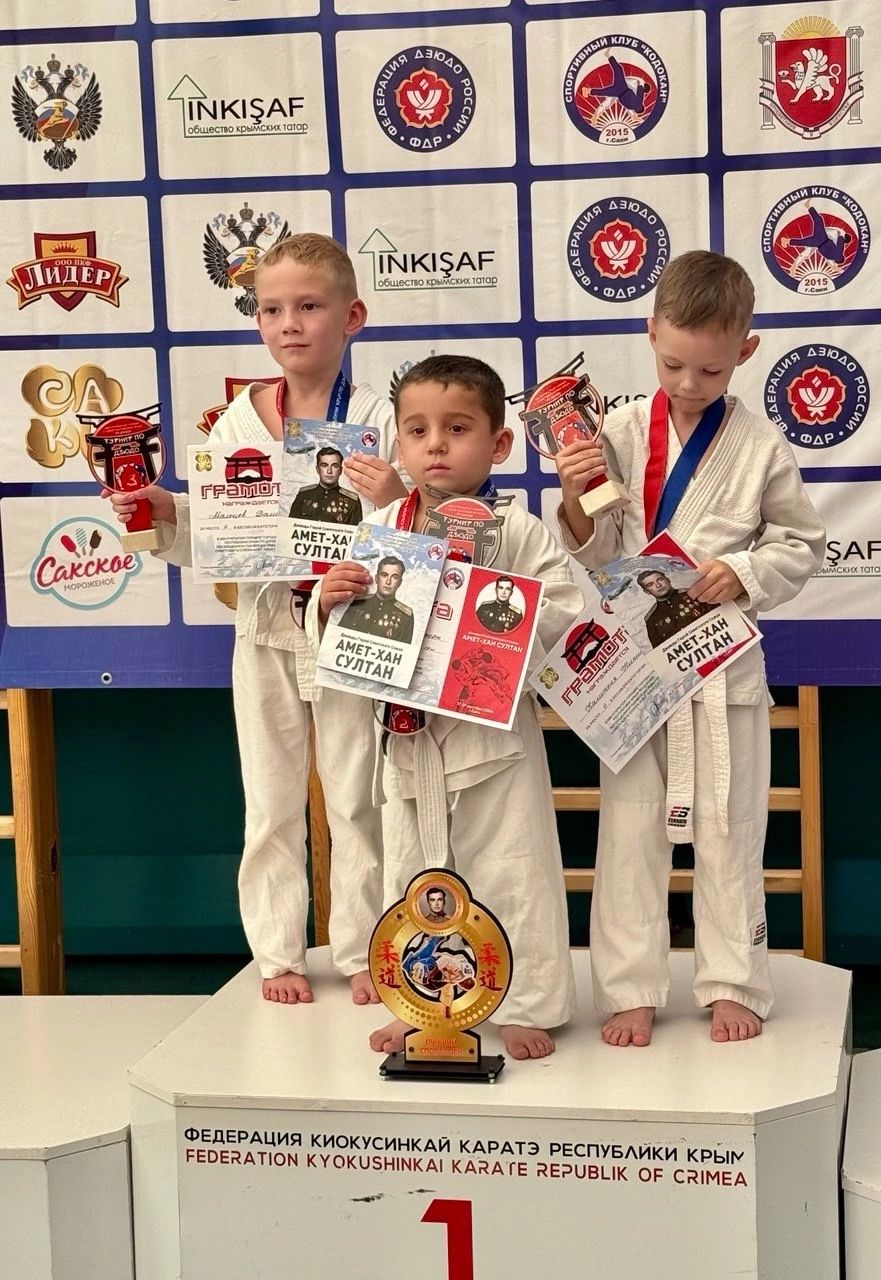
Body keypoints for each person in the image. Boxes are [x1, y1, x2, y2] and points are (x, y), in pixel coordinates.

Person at [106, 233, 407, 1008]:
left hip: (356, 632)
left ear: (353, 317)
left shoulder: (382, 418)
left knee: (357, 800)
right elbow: (216, 538)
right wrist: (164, 511)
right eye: (271, 310)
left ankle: (364, 947)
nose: (289, 324)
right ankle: (277, 953)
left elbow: (420, 541)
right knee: (271, 801)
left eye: (308, 306)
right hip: (268, 629)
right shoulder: (237, 422)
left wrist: (394, 499)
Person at [555, 250, 825, 1047]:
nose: (688, 382)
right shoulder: (614, 432)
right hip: (633, 665)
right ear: (649, 334)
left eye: (710, 369)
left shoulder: (762, 445)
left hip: (719, 667)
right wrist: (573, 496)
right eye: (673, 364)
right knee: (629, 831)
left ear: (745, 350)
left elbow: (801, 544)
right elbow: (591, 550)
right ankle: (630, 987)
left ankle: (733, 981)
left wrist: (742, 572)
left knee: (730, 827)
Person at [308, 355, 581, 1060]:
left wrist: (496, 609)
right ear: (397, 445)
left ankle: (525, 1003)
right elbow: (340, 640)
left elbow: (565, 610)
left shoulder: (517, 529)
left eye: (457, 429)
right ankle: (421, 1004)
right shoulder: (378, 530)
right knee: (411, 872)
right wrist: (328, 602)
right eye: (418, 430)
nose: (435, 445)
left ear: (499, 444)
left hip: (494, 737)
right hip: (408, 736)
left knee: (512, 868)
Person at [338, 555, 414, 643]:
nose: (388, 582)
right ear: (377, 578)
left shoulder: (405, 616)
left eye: (395, 577)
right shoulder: (358, 604)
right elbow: (337, 637)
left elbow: (403, 650)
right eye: (384, 575)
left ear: (400, 582)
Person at [636, 568, 711, 647]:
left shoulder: (693, 594)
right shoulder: (652, 619)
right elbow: (660, 649)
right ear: (647, 592)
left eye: (660, 579)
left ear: (668, 580)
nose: (658, 585)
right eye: (650, 585)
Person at [288, 447, 363, 524]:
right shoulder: (303, 495)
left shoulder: (352, 501)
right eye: (324, 465)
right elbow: (289, 526)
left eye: (335, 466)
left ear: (340, 470)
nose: (329, 471)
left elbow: (359, 531)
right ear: (317, 469)